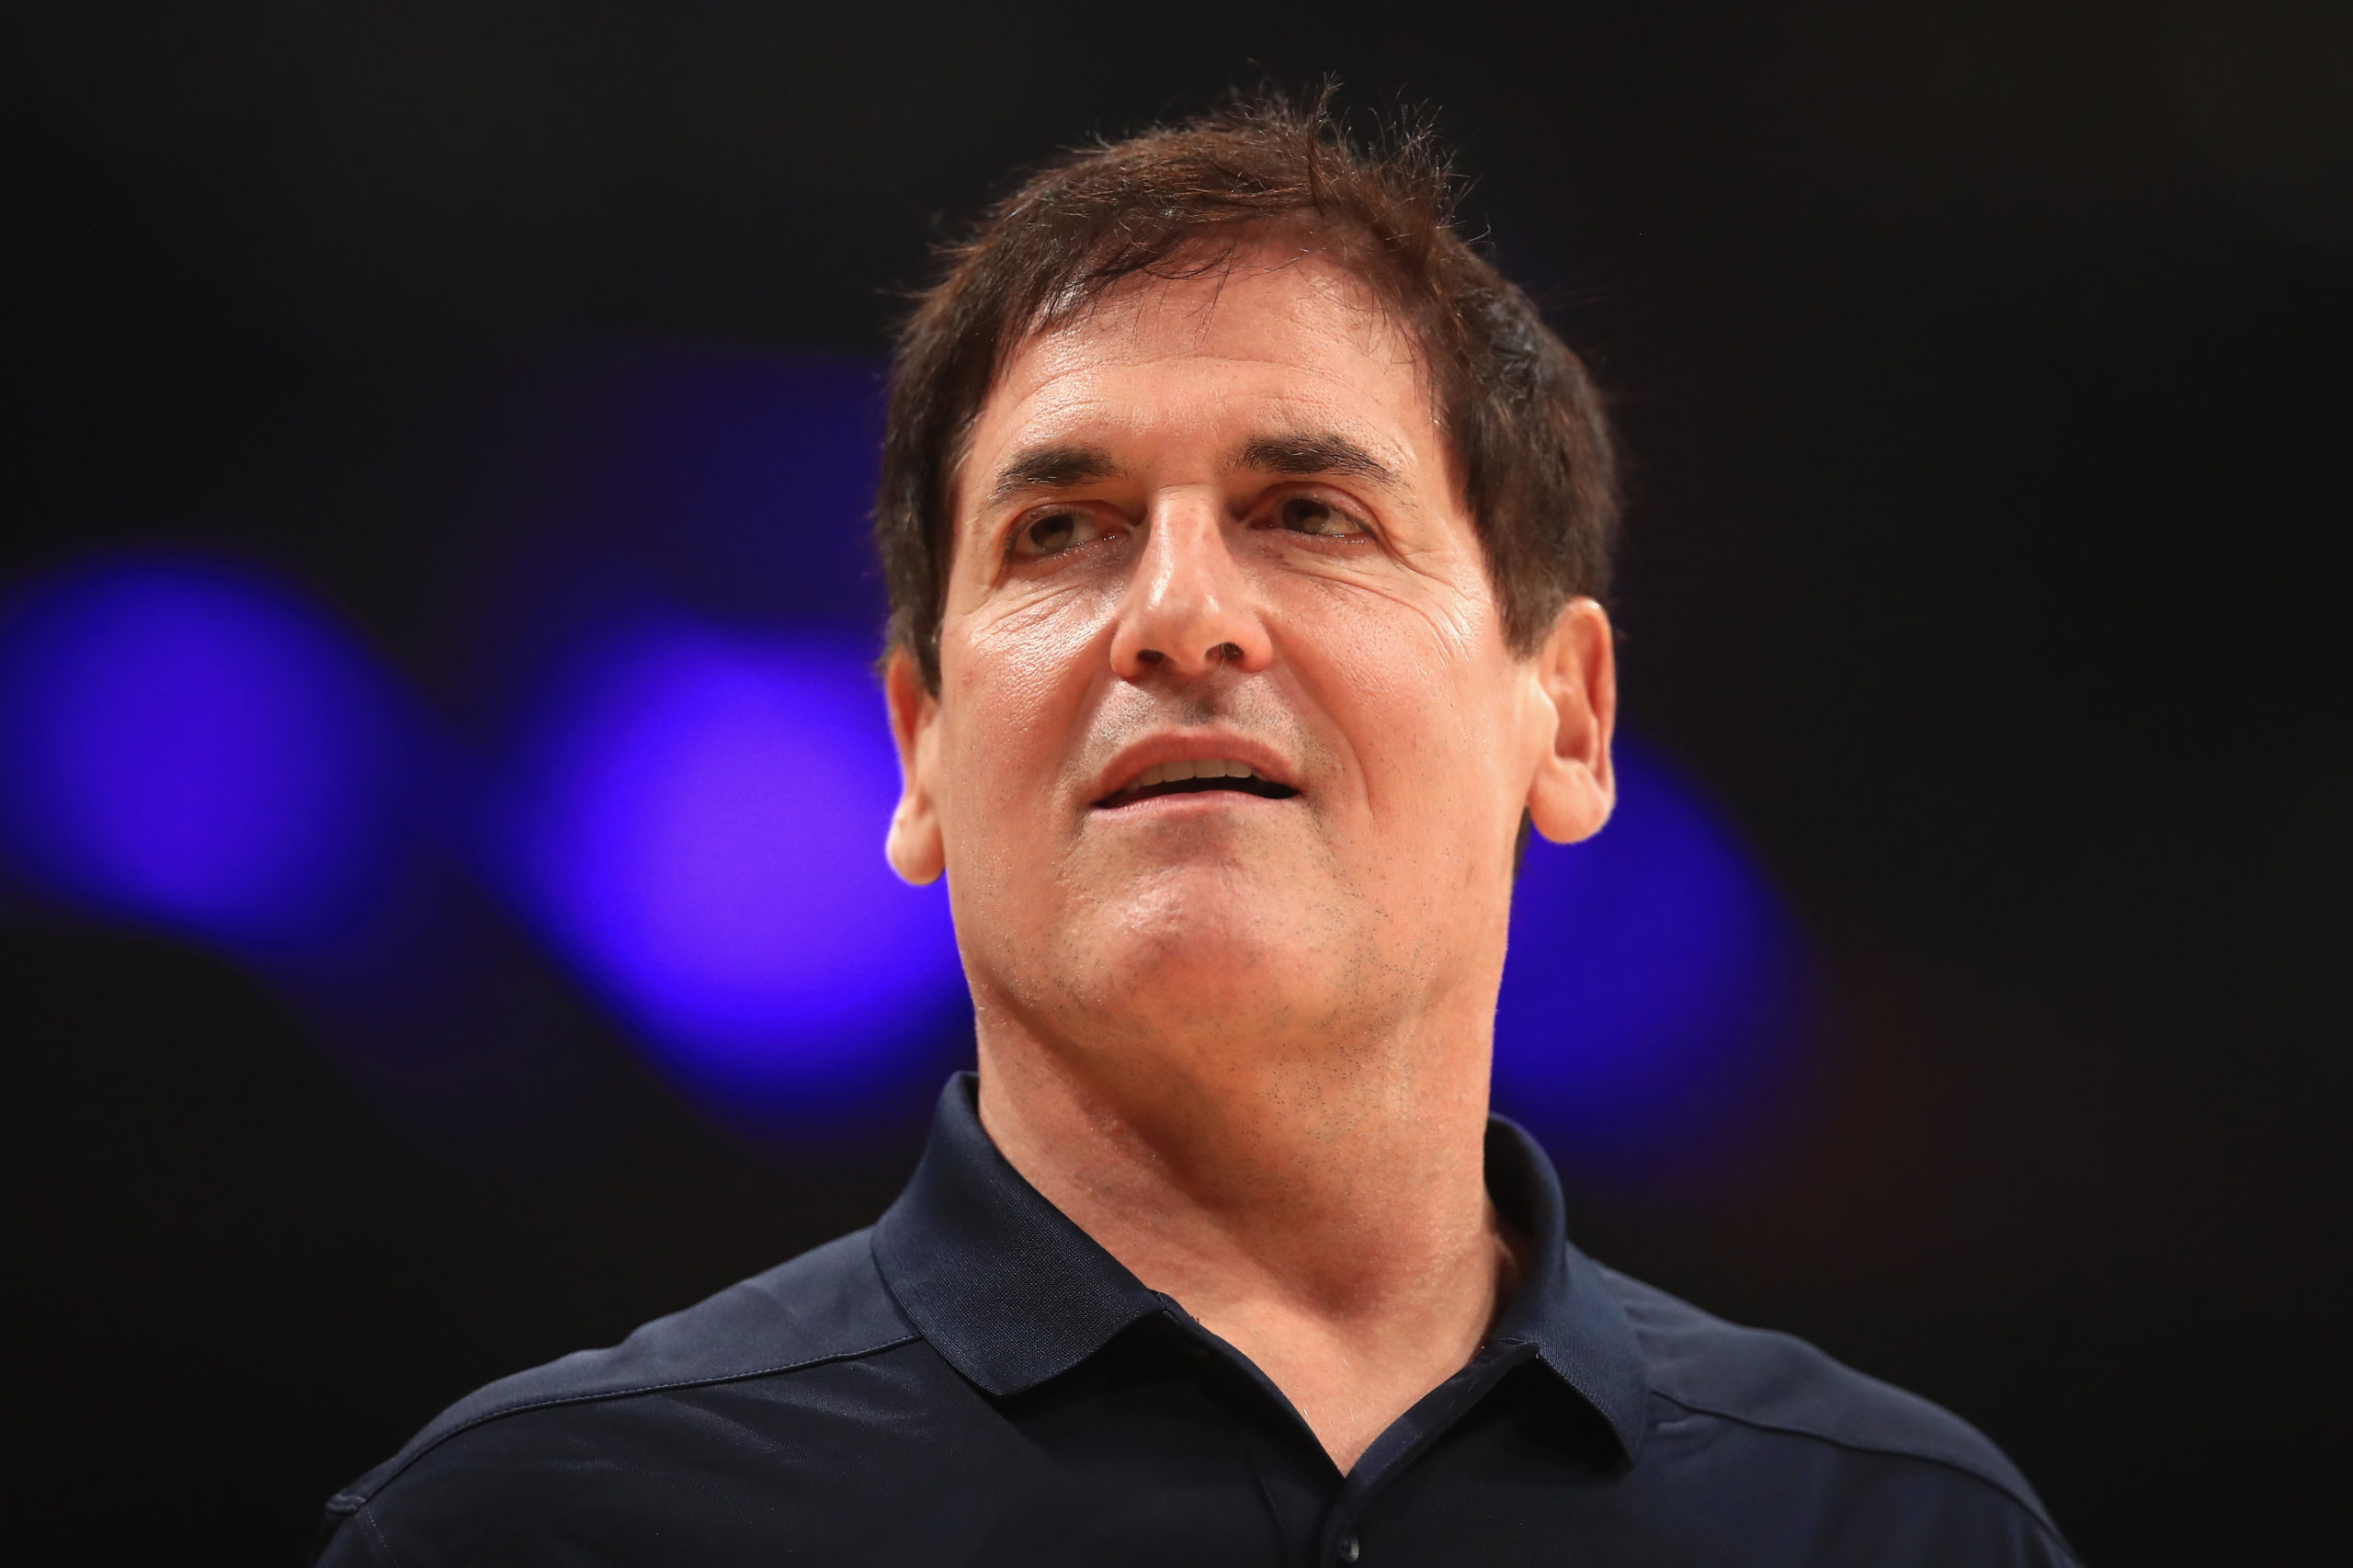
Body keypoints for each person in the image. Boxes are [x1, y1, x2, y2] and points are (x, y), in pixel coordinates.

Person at [313, 93, 2075, 1566]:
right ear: (919, 750)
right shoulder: (533, 1533)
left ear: (1571, 714)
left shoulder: (1905, 1532)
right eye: (1061, 532)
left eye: (1307, 510)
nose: (1180, 615)